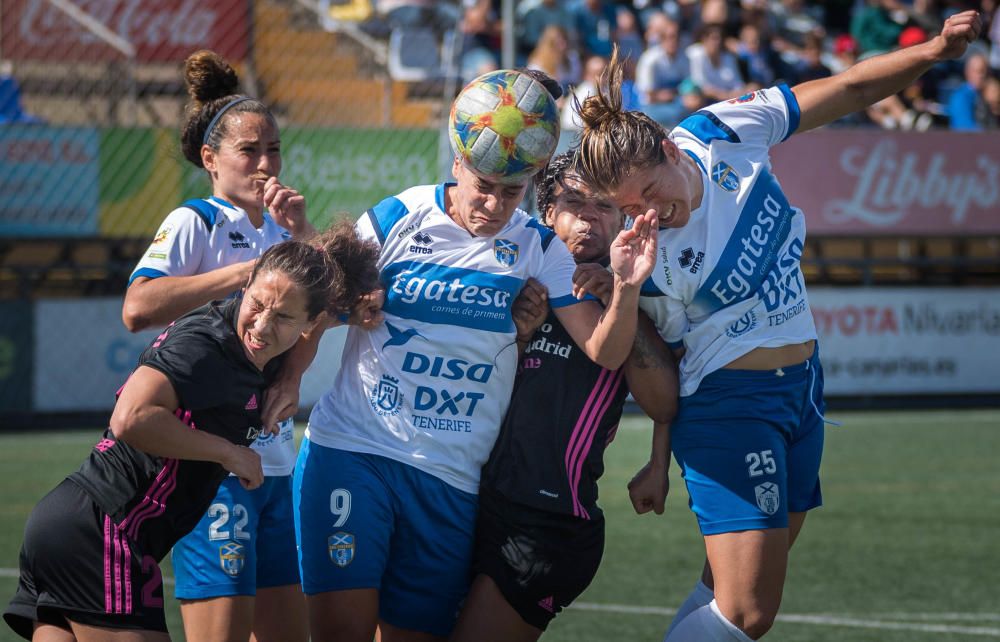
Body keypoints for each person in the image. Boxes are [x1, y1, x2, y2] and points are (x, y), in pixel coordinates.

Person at [573, 13, 982, 640]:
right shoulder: (646, 256)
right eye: (630, 207)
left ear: (671, 148)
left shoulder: (721, 130)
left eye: (650, 192)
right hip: (731, 409)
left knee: (725, 593)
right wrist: (626, 290)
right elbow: (660, 363)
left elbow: (845, 90)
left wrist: (935, 49)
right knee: (748, 612)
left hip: (802, 394)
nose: (649, 213)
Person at [287, 68, 659, 642]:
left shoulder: (537, 245)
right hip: (354, 451)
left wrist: (627, 290)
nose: (492, 203)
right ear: (457, 162)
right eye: (482, 185)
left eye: (511, 192)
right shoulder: (396, 217)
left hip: (451, 480)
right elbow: (318, 302)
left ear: (532, 180)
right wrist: (296, 373)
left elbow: (603, 352)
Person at [3, 233, 381, 642]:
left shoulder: (265, 345)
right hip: (104, 531)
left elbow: (322, 312)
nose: (261, 325)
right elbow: (131, 418)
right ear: (247, 281)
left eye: (284, 318)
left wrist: (292, 376)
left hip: (79, 527)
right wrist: (230, 453)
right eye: (257, 304)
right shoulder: (205, 345)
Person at [121, 50, 315, 642]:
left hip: (277, 460)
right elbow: (137, 307)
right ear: (211, 158)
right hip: (211, 465)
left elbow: (321, 317)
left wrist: (304, 237)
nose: (264, 163)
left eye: (274, 149)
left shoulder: (286, 225)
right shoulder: (195, 221)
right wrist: (243, 274)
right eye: (248, 150)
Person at [449, 151, 679, 642]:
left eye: (604, 206)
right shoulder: (511, 279)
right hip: (468, 499)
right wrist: (523, 336)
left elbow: (663, 403)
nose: (589, 219)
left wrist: (622, 296)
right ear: (547, 213)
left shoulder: (636, 298)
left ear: (623, 217)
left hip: (549, 522)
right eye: (575, 203)